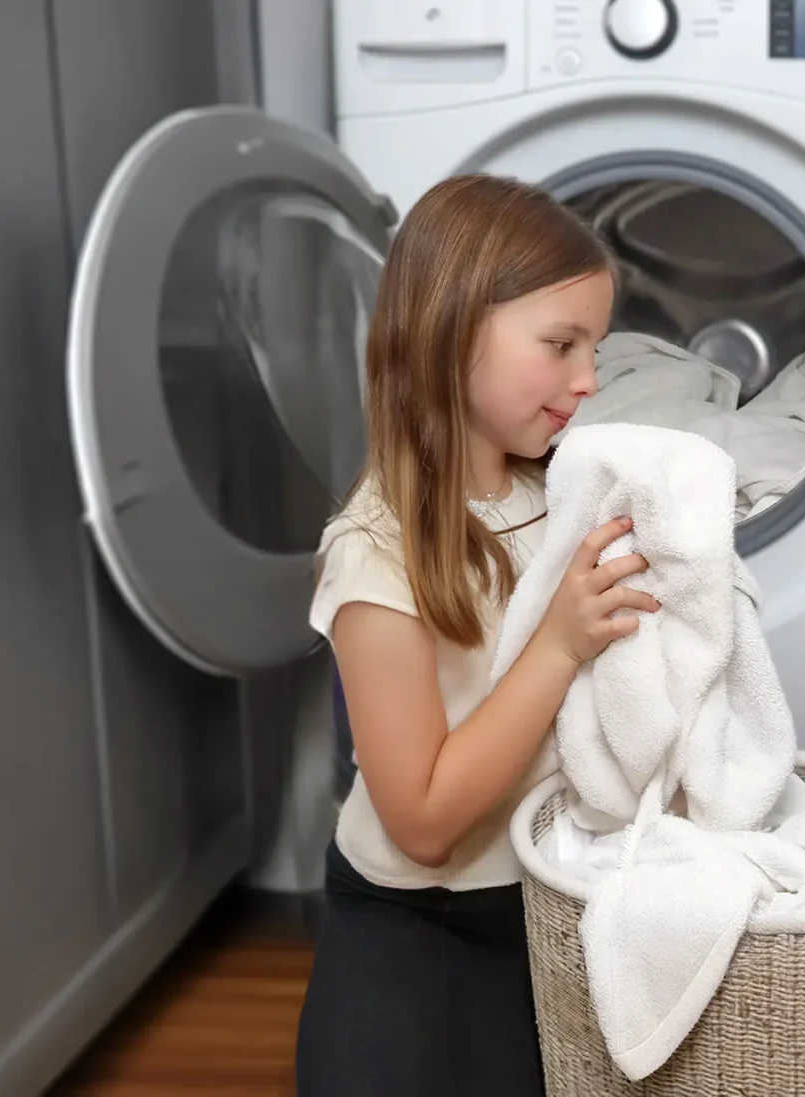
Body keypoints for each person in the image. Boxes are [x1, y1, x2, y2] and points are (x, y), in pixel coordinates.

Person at [294, 173, 657, 1097]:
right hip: (414, 924)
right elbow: (420, 821)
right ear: (453, 331)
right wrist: (559, 645)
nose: (588, 379)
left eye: (595, 348)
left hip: (540, 907)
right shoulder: (376, 556)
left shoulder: (557, 496)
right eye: (560, 343)